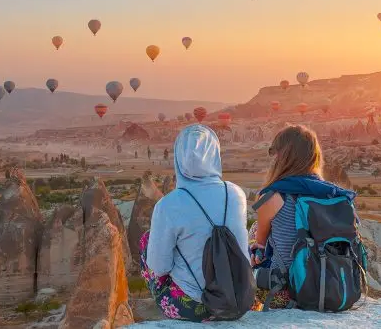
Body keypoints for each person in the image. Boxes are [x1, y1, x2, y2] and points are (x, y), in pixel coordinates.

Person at [139, 125, 249, 322]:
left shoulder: (168, 205)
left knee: (147, 241)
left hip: (194, 306)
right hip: (239, 298)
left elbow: (159, 267)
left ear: (178, 159)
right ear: (215, 154)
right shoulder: (236, 194)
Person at [249, 124, 355, 310]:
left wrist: (254, 251)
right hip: (336, 288)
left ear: (282, 156)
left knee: (253, 231)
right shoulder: (335, 195)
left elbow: (260, 247)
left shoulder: (271, 196)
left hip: (285, 292)